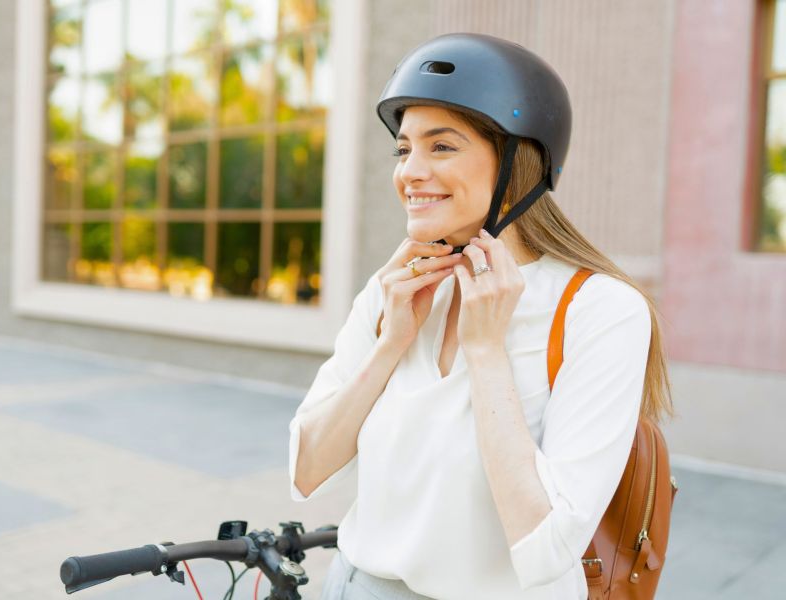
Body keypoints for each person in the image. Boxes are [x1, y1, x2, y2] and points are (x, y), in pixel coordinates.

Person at [288, 33, 672, 600]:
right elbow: (307, 470)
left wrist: (487, 351)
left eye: (441, 147)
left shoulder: (602, 310)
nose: (409, 172)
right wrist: (391, 342)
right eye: (403, 149)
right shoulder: (391, 290)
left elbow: (547, 547)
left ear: (521, 160)